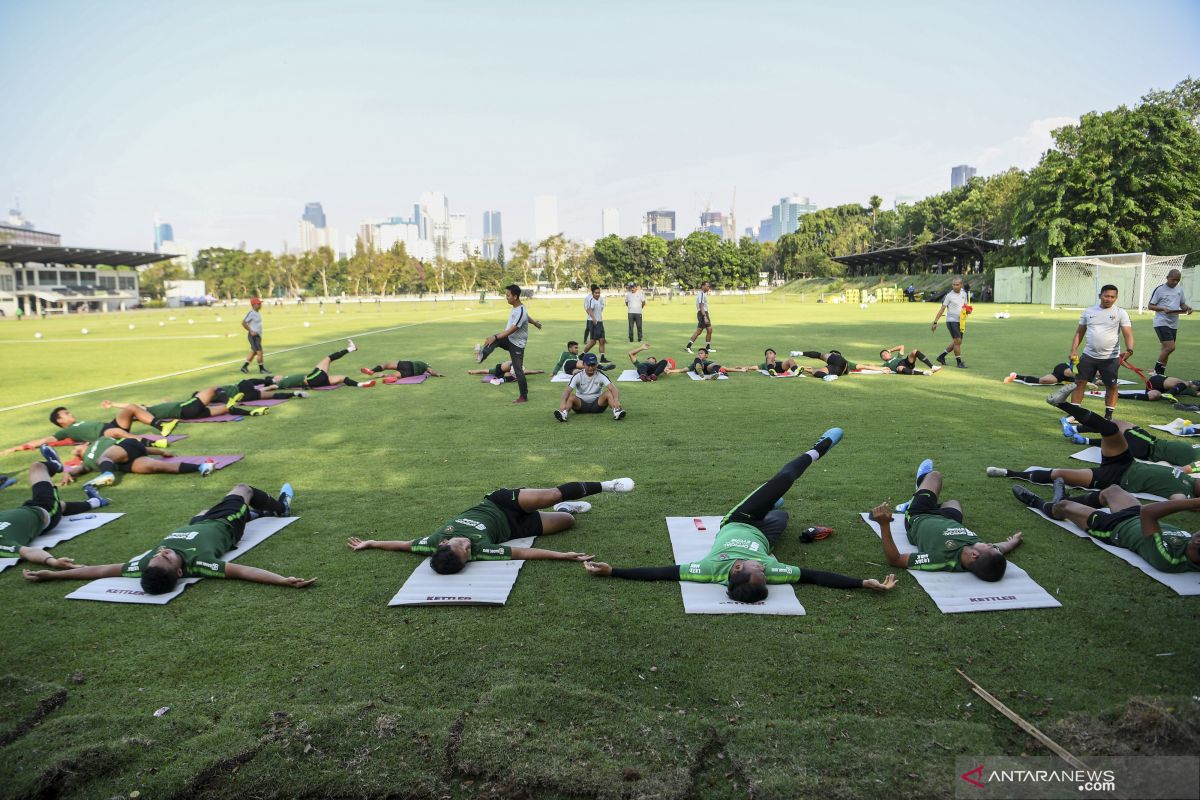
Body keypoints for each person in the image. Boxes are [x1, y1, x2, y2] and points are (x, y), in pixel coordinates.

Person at [583, 429, 897, 601]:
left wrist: (613, 571)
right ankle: (774, 505)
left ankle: (819, 447)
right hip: (767, 533)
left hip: (741, 519)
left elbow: (660, 572)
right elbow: (815, 577)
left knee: (781, 482)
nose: (763, 566)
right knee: (782, 515)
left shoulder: (708, 569)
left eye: (755, 568)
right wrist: (860, 582)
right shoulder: (770, 574)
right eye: (764, 571)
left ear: (736, 567)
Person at [23, 483, 316, 593]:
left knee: (202, 510)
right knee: (243, 489)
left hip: (199, 521)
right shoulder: (200, 564)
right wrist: (281, 579)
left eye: (157, 556)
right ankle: (280, 508)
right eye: (165, 557)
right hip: (223, 523)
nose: (160, 552)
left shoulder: (145, 567)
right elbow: (244, 572)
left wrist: (52, 574)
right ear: (179, 571)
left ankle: (253, 515)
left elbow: (99, 570)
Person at [346, 478, 635, 574]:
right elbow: (524, 554)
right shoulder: (479, 551)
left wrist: (371, 542)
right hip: (515, 529)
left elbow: (403, 545)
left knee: (551, 494)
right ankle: (564, 508)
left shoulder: (431, 543)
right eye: (467, 552)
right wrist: (565, 555)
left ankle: (608, 485)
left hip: (500, 503)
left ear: (444, 544)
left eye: (462, 545)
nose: (468, 546)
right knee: (568, 520)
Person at [986, 386, 1199, 500]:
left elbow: (1177, 503)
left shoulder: (1185, 494)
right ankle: (1060, 403)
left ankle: (1009, 473)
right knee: (1111, 429)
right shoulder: (1188, 477)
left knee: (1060, 474)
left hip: (1116, 478)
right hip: (1127, 462)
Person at [872, 460, 1022, 582]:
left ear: (974, 555)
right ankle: (923, 494)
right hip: (948, 519)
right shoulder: (982, 552)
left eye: (990, 547)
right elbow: (1001, 548)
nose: (991, 544)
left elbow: (896, 560)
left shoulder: (941, 558)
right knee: (953, 502)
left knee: (934, 476)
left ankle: (918, 492)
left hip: (920, 515)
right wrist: (1013, 542)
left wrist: (884, 526)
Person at [1010, 483, 1199, 573]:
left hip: (1113, 527)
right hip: (1135, 515)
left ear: (1198, 542)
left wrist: (1193, 502)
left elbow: (1149, 513)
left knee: (1064, 507)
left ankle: (1039, 503)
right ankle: (1062, 499)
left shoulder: (1169, 559)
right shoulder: (1191, 546)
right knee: (1113, 490)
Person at [0, 447, 111, 568]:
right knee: (37, 467)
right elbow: (28, 552)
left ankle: (95, 502)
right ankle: (58, 465)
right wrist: (52, 561)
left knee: (60, 506)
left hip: (30, 508)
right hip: (45, 510)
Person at [1069, 284, 1133, 419]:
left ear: (1116, 298)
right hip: (1089, 356)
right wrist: (1073, 350)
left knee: (1111, 386)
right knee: (1080, 383)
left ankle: (1108, 416)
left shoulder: (1121, 313)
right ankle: (1075, 414)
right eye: (1106, 296)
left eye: (1112, 297)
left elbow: (1128, 334)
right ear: (1100, 296)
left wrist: (1130, 349)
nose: (1109, 299)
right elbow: (1079, 333)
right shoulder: (1089, 311)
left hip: (1110, 358)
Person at [474, 284, 542, 405]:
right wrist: (535, 323)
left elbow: (512, 329)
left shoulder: (521, 310)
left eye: (508, 295)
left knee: (518, 370)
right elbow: (527, 317)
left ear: (515, 297)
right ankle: (481, 356)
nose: (506, 297)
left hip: (517, 344)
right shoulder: (517, 308)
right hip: (510, 339)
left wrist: (495, 336)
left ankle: (523, 396)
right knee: (494, 339)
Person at [1057, 414, 1200, 468]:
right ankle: (1085, 440)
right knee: (1119, 440)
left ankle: (1074, 430)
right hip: (1146, 450)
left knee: (1116, 425)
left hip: (1150, 445)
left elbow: (1186, 470)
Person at [98, 389, 268, 423]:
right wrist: (113, 404)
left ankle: (252, 412)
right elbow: (131, 406)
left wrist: (165, 403)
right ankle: (227, 400)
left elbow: (136, 407)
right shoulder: (143, 412)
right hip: (186, 408)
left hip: (189, 414)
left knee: (225, 410)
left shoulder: (149, 411)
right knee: (213, 389)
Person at [270, 340, 376, 390]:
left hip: (314, 380)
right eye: (275, 377)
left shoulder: (285, 380)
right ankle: (351, 348)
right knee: (328, 358)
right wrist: (261, 390)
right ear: (276, 380)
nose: (277, 375)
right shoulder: (281, 383)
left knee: (342, 378)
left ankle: (361, 384)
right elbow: (271, 387)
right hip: (312, 379)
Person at [555, 353, 626, 421]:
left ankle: (617, 411)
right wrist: (563, 402)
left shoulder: (600, 374)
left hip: (598, 405)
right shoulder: (578, 375)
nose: (591, 368)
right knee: (570, 396)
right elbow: (567, 390)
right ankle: (563, 413)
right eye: (588, 365)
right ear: (583, 364)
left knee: (608, 393)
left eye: (593, 365)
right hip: (580, 405)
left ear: (596, 364)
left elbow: (613, 388)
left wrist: (616, 400)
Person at [1148, 269, 1191, 376]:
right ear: (1167, 278)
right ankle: (1156, 371)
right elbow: (1150, 306)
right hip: (1161, 322)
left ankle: (1161, 374)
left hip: (1174, 323)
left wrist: (1188, 308)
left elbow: (1182, 304)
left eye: (1178, 280)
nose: (1175, 282)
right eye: (1173, 280)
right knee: (1170, 347)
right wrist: (1163, 309)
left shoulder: (1179, 290)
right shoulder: (1159, 289)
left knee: (1166, 349)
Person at [931, 277, 968, 368]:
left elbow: (965, 306)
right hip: (951, 321)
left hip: (961, 321)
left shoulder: (964, 294)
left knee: (957, 342)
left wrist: (968, 310)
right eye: (953, 285)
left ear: (961, 285)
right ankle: (959, 362)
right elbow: (942, 309)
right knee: (957, 341)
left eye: (957, 285)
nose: (955, 286)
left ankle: (941, 356)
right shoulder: (949, 296)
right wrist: (935, 321)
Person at [684, 281, 715, 354]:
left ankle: (707, 348)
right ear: (703, 286)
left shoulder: (703, 294)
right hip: (702, 313)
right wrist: (705, 317)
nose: (708, 287)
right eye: (707, 286)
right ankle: (688, 347)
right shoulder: (701, 294)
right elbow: (701, 306)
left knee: (709, 330)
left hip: (705, 313)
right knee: (699, 331)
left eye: (709, 286)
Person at [582, 285, 610, 362]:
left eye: (599, 293)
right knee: (593, 342)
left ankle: (602, 357)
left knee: (602, 340)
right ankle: (582, 355)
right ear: (593, 293)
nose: (597, 294)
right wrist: (593, 318)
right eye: (596, 293)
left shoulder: (599, 299)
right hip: (593, 322)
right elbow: (589, 309)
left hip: (600, 322)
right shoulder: (591, 299)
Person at [240, 297, 267, 374]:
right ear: (254, 305)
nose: (260, 305)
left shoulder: (257, 313)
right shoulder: (251, 313)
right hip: (253, 336)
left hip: (257, 336)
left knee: (254, 352)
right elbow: (243, 322)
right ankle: (262, 369)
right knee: (259, 352)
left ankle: (244, 367)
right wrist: (251, 331)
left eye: (260, 303)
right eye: (259, 304)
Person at [1004, 363, 1090, 386]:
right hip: (1063, 369)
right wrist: (1088, 381)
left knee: (1044, 380)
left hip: (1065, 378)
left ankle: (1016, 376)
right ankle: (1015, 376)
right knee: (1044, 380)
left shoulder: (1099, 376)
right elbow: (1070, 372)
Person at [792, 349, 862, 378]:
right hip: (839, 370)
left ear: (834, 353)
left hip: (836, 368)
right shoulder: (846, 362)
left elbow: (818, 355)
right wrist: (872, 367)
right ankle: (826, 376)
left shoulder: (834, 356)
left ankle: (800, 353)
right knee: (816, 370)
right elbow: (863, 366)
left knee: (819, 355)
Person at [359, 359, 444, 380]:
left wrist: (436, 373)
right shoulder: (425, 365)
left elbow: (431, 371)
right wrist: (436, 373)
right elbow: (431, 371)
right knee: (388, 367)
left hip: (408, 368)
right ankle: (372, 371)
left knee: (389, 369)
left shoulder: (425, 366)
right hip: (408, 366)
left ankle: (377, 372)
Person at [467, 362, 547, 384]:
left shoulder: (519, 372)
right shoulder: (507, 366)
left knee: (508, 376)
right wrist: (473, 371)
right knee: (490, 371)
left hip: (505, 375)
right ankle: (510, 370)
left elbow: (529, 372)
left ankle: (501, 379)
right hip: (502, 370)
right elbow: (485, 370)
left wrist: (539, 371)